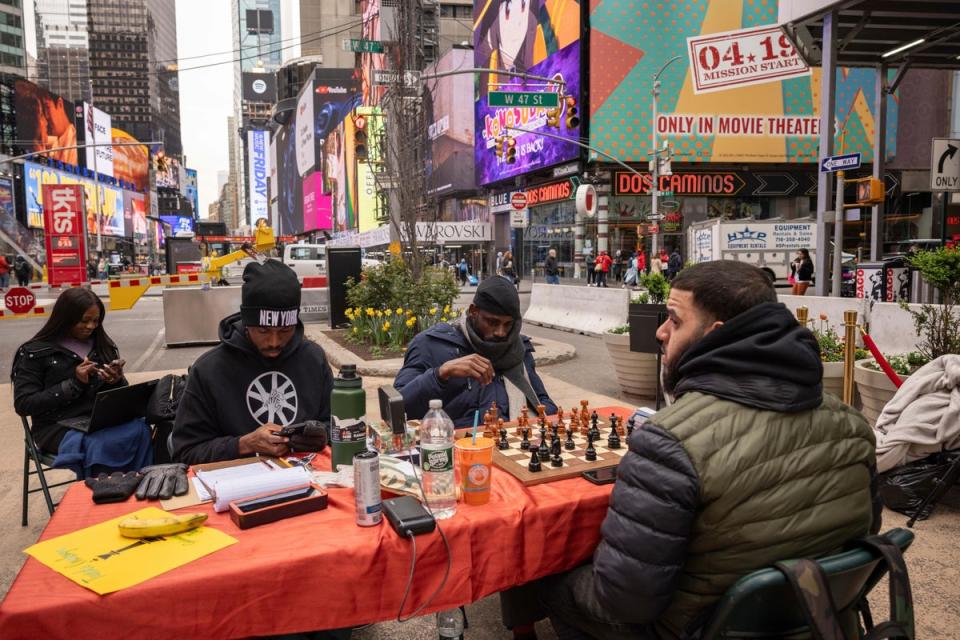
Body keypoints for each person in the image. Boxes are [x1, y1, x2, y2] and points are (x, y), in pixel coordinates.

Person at [529, 261, 878, 639]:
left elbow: (626, 601)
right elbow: (862, 540)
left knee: (549, 581)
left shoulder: (669, 442)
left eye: (675, 321)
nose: (660, 331)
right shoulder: (854, 427)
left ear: (715, 335)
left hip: (699, 629)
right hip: (815, 617)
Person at [172, 260, 333, 465]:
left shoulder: (313, 359)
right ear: (247, 323)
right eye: (263, 331)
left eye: (285, 331)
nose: (274, 342)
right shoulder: (209, 370)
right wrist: (244, 444)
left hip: (310, 480)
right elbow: (185, 451)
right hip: (236, 489)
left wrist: (321, 434)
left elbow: (340, 426)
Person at [12, 288, 152, 478]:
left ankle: (136, 487)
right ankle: (103, 493)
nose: (90, 326)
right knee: (101, 444)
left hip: (97, 420)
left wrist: (116, 381)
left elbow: (118, 396)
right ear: (65, 318)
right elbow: (24, 404)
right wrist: (73, 384)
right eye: (84, 320)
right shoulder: (34, 352)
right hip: (55, 426)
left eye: (96, 321)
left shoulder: (103, 345)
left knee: (141, 428)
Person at [394, 276, 556, 429]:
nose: (501, 333)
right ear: (473, 311)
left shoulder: (518, 349)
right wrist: (440, 374)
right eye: (492, 322)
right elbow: (397, 410)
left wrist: (530, 422)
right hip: (457, 451)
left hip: (513, 447)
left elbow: (542, 401)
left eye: (508, 324)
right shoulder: (430, 345)